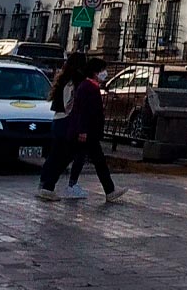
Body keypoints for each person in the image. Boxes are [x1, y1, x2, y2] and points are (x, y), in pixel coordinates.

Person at [67, 57, 128, 203]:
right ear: (95, 72)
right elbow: (83, 110)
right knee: (86, 159)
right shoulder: (87, 88)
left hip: (89, 131)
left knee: (89, 159)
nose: (104, 73)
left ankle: (108, 190)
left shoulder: (91, 87)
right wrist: (82, 130)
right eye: (102, 70)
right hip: (87, 131)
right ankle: (107, 190)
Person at [37, 51, 86, 201]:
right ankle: (48, 186)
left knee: (56, 155)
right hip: (66, 122)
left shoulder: (64, 78)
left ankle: (45, 184)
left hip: (59, 120)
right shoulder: (74, 81)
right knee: (64, 156)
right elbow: (69, 104)